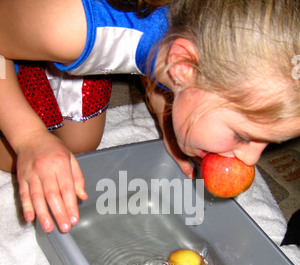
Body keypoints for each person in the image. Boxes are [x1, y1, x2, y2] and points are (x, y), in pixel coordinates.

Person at [0, 0, 299, 234]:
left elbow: (157, 64)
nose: (249, 160)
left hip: (62, 45)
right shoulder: (66, 27)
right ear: (183, 67)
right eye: (243, 136)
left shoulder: (187, 46)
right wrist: (28, 137)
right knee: (20, 161)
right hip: (21, 31)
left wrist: (166, 117)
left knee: (78, 149)